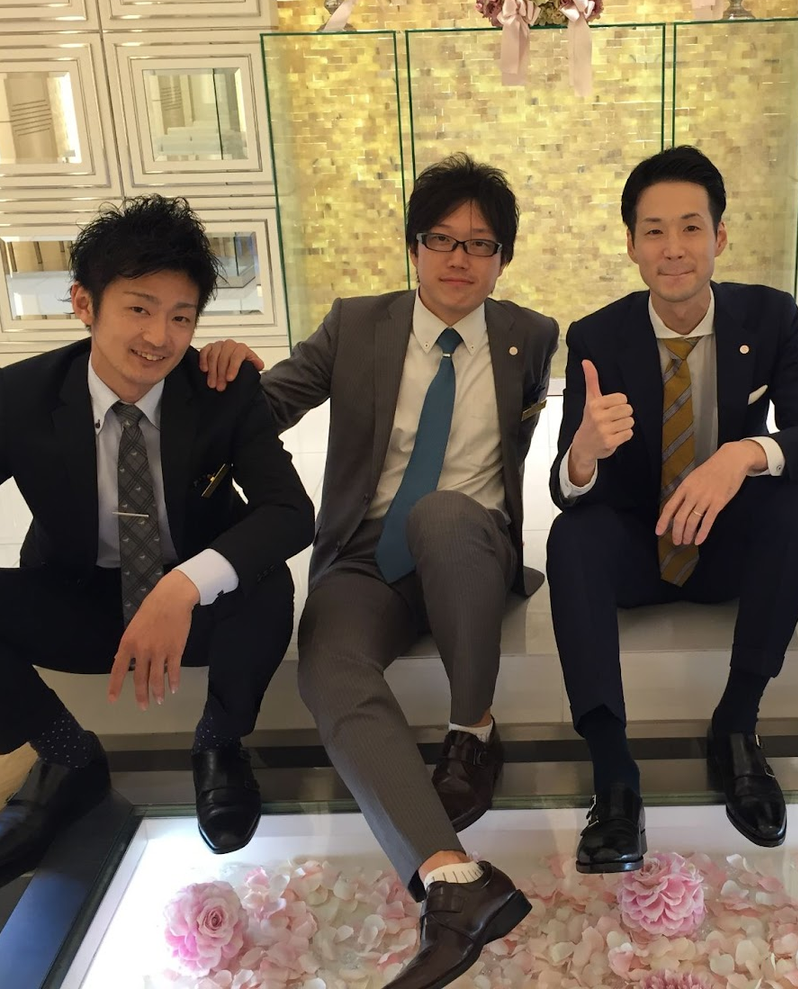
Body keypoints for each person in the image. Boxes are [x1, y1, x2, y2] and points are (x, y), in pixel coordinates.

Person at [199, 154, 558, 989]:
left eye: (480, 244)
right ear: (413, 246)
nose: (459, 259)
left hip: (471, 548)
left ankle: (473, 732)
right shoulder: (357, 325)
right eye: (442, 240)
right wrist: (218, 375)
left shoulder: (531, 336)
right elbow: (270, 405)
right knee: (327, 663)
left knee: (443, 514)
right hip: (366, 554)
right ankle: (452, 884)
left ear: (503, 258)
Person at [0, 195, 315, 873]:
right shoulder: (24, 396)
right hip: (77, 599)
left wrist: (183, 586)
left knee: (265, 583)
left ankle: (220, 745)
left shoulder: (221, 389)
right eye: (139, 308)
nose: (159, 337)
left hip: (195, 612)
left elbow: (289, 512)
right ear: (85, 303)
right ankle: (66, 757)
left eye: (181, 317)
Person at [546, 146, 798, 874]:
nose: (673, 248)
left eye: (690, 227)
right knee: (569, 536)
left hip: (725, 544)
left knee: (795, 495)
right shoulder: (595, 337)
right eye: (654, 231)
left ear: (720, 236)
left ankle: (737, 726)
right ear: (631, 244)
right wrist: (583, 451)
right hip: (638, 543)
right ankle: (613, 773)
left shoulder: (768, 317)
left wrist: (740, 455)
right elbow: (566, 484)